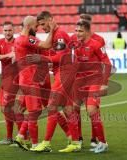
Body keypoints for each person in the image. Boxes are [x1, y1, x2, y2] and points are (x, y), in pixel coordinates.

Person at [30, 11, 81, 153]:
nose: (41, 27)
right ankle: (76, 142)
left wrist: (44, 60)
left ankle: (46, 143)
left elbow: (60, 56)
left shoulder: (59, 34)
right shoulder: (56, 34)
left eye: (43, 24)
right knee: (68, 109)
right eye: (39, 25)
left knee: (52, 107)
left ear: (50, 20)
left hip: (64, 74)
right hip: (63, 73)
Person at [73, 20, 110, 153]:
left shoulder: (96, 44)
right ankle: (78, 139)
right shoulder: (76, 45)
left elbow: (107, 63)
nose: (77, 33)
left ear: (88, 32)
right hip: (81, 82)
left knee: (91, 110)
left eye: (80, 31)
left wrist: (104, 84)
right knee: (72, 108)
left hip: (94, 81)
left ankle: (103, 142)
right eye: (76, 30)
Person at [0, 21, 24, 145]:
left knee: (10, 109)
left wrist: (15, 57)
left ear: (13, 31)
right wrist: (8, 55)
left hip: (14, 79)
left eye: (9, 30)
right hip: (4, 80)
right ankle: (12, 137)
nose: (7, 33)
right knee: (5, 109)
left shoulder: (18, 42)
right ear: (3, 31)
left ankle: (21, 136)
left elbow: (18, 60)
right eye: (5, 30)